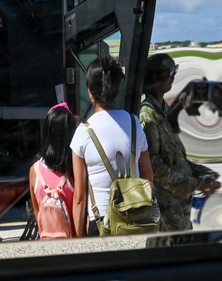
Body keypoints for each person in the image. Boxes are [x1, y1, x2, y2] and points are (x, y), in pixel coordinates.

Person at [70, 55, 154, 237]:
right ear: (117, 89)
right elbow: (148, 174)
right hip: (135, 220)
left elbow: (79, 198)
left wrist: (76, 243)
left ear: (90, 93)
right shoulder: (134, 123)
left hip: (101, 224)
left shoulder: (83, 133)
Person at [139, 53, 220, 231]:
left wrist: (200, 171)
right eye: (171, 71)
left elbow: (175, 158)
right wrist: (194, 183)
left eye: (175, 70)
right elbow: (154, 168)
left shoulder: (164, 111)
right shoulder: (147, 115)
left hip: (180, 208)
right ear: (155, 78)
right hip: (167, 214)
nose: (174, 76)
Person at [29, 103, 78, 238]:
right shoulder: (73, 172)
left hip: (47, 247)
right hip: (72, 247)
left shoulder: (34, 171)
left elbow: (37, 214)